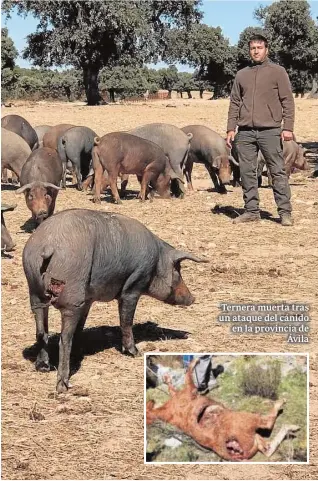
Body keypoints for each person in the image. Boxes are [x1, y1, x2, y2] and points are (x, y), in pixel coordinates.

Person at [226, 34, 295, 226]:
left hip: (270, 130)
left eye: (259, 47)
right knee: (247, 171)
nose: (256, 51)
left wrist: (287, 127)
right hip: (245, 131)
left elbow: (287, 101)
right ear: (249, 51)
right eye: (252, 48)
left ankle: (285, 212)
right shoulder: (242, 74)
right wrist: (231, 128)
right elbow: (234, 102)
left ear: (267, 50)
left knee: (277, 171)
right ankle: (251, 211)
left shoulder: (278, 72)